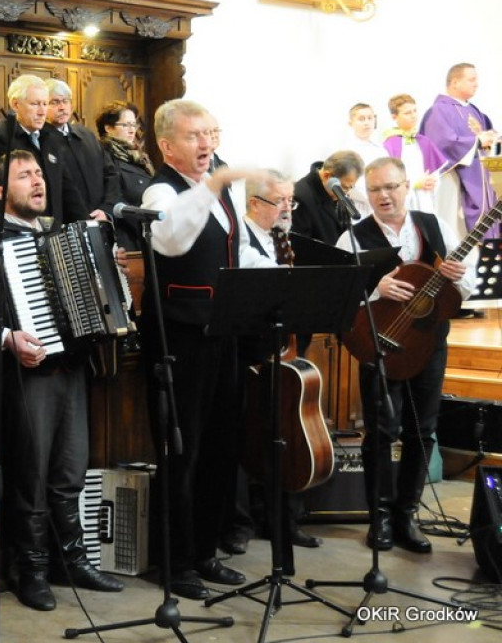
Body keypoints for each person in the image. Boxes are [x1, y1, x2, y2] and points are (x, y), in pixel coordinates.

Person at [0, 150, 124, 611]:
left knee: (70, 471)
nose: (37, 181)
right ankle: (28, 569)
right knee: (29, 475)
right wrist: (7, 337)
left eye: (38, 174)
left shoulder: (61, 235)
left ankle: (70, 560)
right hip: (22, 374)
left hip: (70, 368)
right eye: (24, 176)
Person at [138, 99, 276, 601]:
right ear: (167, 145)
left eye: (212, 133)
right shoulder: (159, 190)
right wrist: (214, 184)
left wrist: (280, 278)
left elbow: (238, 252)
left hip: (222, 335)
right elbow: (172, 239)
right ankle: (173, 563)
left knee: (221, 447)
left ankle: (203, 552)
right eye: (195, 135)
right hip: (178, 339)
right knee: (183, 451)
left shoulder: (220, 191)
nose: (207, 144)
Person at [335, 157, 476, 553]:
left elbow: (463, 283)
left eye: (391, 187)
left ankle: (407, 515)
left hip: (429, 342)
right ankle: (379, 517)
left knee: (422, 430)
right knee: (381, 431)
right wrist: (375, 288)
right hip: (380, 344)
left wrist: (458, 278)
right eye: (375, 189)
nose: (384, 195)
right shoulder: (352, 237)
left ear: (406, 186)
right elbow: (338, 295)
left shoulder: (435, 225)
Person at [239, 171, 322, 567]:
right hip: (253, 355)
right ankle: (247, 521)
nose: (289, 208)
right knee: (255, 438)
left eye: (292, 200)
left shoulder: (282, 236)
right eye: (281, 201)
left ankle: (287, 522)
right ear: (255, 203)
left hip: (287, 348)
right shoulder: (242, 239)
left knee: (289, 433)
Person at [0, 74, 88, 224]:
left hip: (54, 228)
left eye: (45, 104)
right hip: (23, 229)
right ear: (16, 104)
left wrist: (86, 225)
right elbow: (2, 195)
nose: (42, 111)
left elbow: (67, 189)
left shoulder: (52, 137)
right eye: (35, 104)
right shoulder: (0, 140)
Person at [420, 63, 500, 238]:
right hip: (455, 181)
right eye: (471, 79)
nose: (476, 84)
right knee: (457, 231)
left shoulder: (473, 110)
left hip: (481, 179)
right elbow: (443, 144)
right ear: (455, 82)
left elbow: (487, 137)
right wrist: (477, 141)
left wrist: (493, 139)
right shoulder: (439, 110)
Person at [44, 78, 120, 221]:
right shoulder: (41, 140)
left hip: (101, 219)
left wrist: (106, 209)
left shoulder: (86, 135)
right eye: (54, 102)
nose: (62, 107)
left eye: (65, 101)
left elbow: (111, 174)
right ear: (42, 106)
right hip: (66, 223)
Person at [96, 101, 154, 249]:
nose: (132, 130)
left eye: (134, 125)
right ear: (108, 128)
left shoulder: (138, 157)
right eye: (126, 125)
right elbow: (112, 194)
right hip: (123, 237)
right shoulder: (103, 155)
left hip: (144, 233)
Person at [383, 93, 448, 214]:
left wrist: (432, 181)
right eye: (407, 113)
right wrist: (414, 183)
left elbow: (435, 173)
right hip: (404, 199)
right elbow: (389, 177)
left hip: (425, 198)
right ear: (394, 117)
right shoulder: (390, 144)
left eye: (414, 111)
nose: (413, 115)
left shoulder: (424, 141)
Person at [291, 150, 365, 246]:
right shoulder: (301, 198)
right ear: (327, 175)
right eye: (344, 187)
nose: (346, 193)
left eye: (350, 188)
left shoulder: (340, 196)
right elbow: (300, 247)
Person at [342, 102, 383, 217]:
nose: (367, 122)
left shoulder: (381, 149)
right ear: (351, 123)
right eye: (361, 119)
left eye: (370, 118)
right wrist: (372, 197)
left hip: (382, 203)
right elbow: (349, 183)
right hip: (359, 206)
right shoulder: (347, 151)